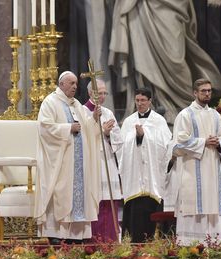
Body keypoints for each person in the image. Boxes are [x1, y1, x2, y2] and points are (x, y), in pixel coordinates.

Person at [108, 0, 221, 123]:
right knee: (145, 58)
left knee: (176, 61)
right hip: (142, 6)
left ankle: (184, 107)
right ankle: (152, 107)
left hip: (173, 6)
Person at [34, 71, 102, 243]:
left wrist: (94, 119)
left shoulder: (77, 104)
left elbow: (87, 128)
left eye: (76, 84)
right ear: (61, 84)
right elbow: (45, 128)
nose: (74, 87)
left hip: (78, 164)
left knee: (78, 194)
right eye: (71, 83)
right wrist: (67, 129)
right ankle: (57, 234)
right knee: (60, 192)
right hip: (61, 161)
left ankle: (76, 236)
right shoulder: (50, 102)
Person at [172, 78, 221, 246]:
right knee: (194, 206)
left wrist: (219, 143)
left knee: (212, 206)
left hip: (212, 171)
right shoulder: (185, 115)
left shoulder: (215, 116)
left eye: (209, 91)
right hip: (192, 172)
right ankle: (190, 248)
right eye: (203, 91)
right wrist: (203, 142)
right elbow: (177, 144)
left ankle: (215, 246)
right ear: (195, 93)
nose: (207, 93)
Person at [119, 88, 172, 243]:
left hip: (152, 180)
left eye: (143, 100)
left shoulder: (159, 121)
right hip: (135, 178)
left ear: (150, 101)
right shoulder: (129, 121)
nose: (140, 104)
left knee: (151, 214)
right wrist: (136, 137)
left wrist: (144, 137)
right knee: (135, 216)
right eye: (137, 100)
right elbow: (122, 148)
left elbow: (165, 146)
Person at [83, 79, 123, 242]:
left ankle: (111, 241)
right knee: (97, 203)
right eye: (99, 92)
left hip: (107, 160)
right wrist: (100, 130)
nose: (103, 96)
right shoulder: (82, 111)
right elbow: (82, 137)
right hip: (93, 163)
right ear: (90, 93)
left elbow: (118, 138)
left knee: (110, 202)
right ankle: (95, 242)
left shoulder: (108, 112)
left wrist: (108, 134)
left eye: (104, 92)